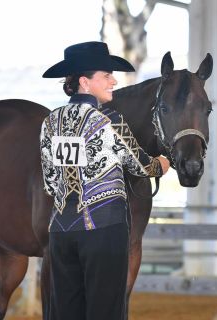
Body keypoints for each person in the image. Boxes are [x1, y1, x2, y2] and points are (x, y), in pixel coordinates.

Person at [40, 41, 170, 320]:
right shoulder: (108, 120)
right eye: (106, 75)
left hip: (60, 232)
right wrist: (162, 163)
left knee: (66, 312)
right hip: (103, 230)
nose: (113, 80)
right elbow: (142, 166)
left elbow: (51, 183)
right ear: (85, 82)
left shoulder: (50, 122)